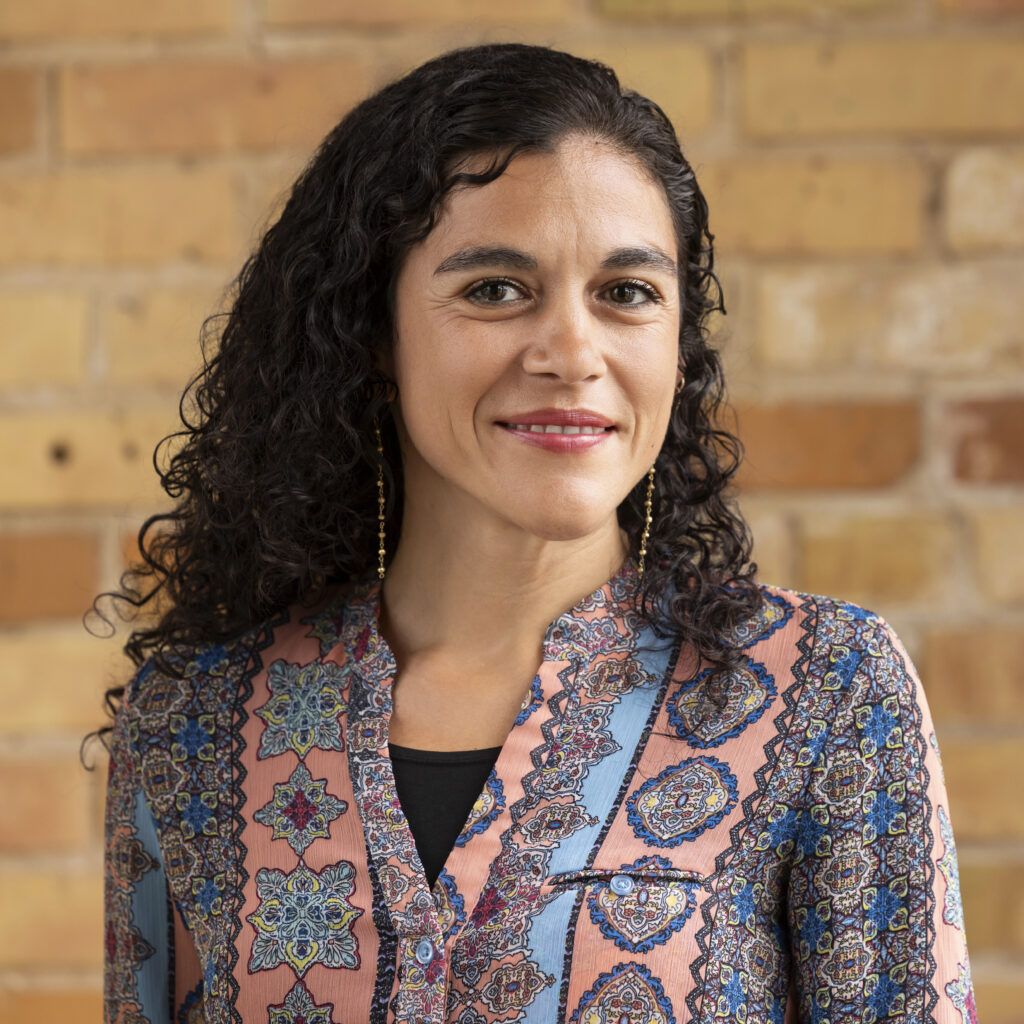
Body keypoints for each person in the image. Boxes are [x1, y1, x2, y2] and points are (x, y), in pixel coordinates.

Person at [100, 43, 975, 1024]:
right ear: (369, 337)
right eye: (494, 290)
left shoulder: (822, 687)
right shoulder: (196, 723)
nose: (572, 351)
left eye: (626, 293)